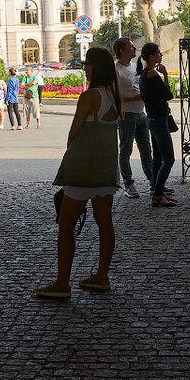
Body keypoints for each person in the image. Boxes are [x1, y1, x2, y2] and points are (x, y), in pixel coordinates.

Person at [36, 47, 122, 299]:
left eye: (86, 64)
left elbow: (73, 133)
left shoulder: (89, 97)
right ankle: (101, 276)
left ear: (95, 67)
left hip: (83, 168)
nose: (84, 67)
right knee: (105, 223)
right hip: (106, 168)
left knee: (66, 225)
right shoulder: (114, 96)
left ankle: (62, 283)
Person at [137, 42, 178, 208]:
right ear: (152, 56)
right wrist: (166, 75)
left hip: (151, 119)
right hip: (159, 121)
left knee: (158, 158)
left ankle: (156, 189)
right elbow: (168, 94)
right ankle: (158, 195)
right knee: (169, 159)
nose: (161, 55)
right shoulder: (152, 74)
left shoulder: (144, 74)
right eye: (159, 53)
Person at [112, 37, 153, 198]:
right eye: (131, 46)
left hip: (141, 113)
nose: (135, 48)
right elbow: (113, 95)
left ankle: (152, 181)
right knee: (126, 150)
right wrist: (133, 99)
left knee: (146, 149)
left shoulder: (136, 67)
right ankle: (128, 183)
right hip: (126, 114)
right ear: (122, 50)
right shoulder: (115, 69)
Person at [22, 65, 41, 129]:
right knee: (27, 110)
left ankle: (38, 124)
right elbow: (22, 86)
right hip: (26, 96)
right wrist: (30, 85)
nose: (26, 71)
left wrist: (26, 85)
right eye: (26, 70)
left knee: (36, 110)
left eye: (28, 70)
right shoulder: (25, 78)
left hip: (34, 96)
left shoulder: (35, 77)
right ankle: (28, 124)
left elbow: (34, 83)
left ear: (31, 71)